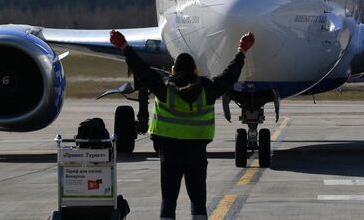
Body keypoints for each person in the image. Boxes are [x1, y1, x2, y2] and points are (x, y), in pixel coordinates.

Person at [109, 30, 255, 220]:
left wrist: (124, 47)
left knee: (168, 202)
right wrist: (242, 51)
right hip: (197, 153)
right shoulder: (207, 90)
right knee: (198, 202)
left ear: (173, 71)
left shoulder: (164, 90)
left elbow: (142, 71)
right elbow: (230, 76)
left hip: (169, 154)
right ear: (195, 71)